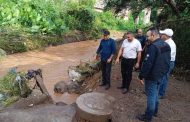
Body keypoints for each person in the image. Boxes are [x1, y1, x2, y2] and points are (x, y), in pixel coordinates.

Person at [137, 27, 171, 122]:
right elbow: (168, 61)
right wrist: (164, 73)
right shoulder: (166, 45)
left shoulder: (153, 47)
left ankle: (148, 117)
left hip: (152, 76)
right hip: (161, 74)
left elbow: (148, 63)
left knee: (151, 95)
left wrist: (141, 75)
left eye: (148, 36)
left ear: (153, 35)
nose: (146, 38)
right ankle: (155, 111)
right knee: (155, 93)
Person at [159, 28, 176, 99]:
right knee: (162, 77)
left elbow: (166, 56)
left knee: (164, 77)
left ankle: (161, 93)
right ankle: (158, 92)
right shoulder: (167, 42)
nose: (161, 35)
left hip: (168, 62)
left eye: (162, 34)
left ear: (166, 36)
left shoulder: (170, 44)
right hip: (168, 62)